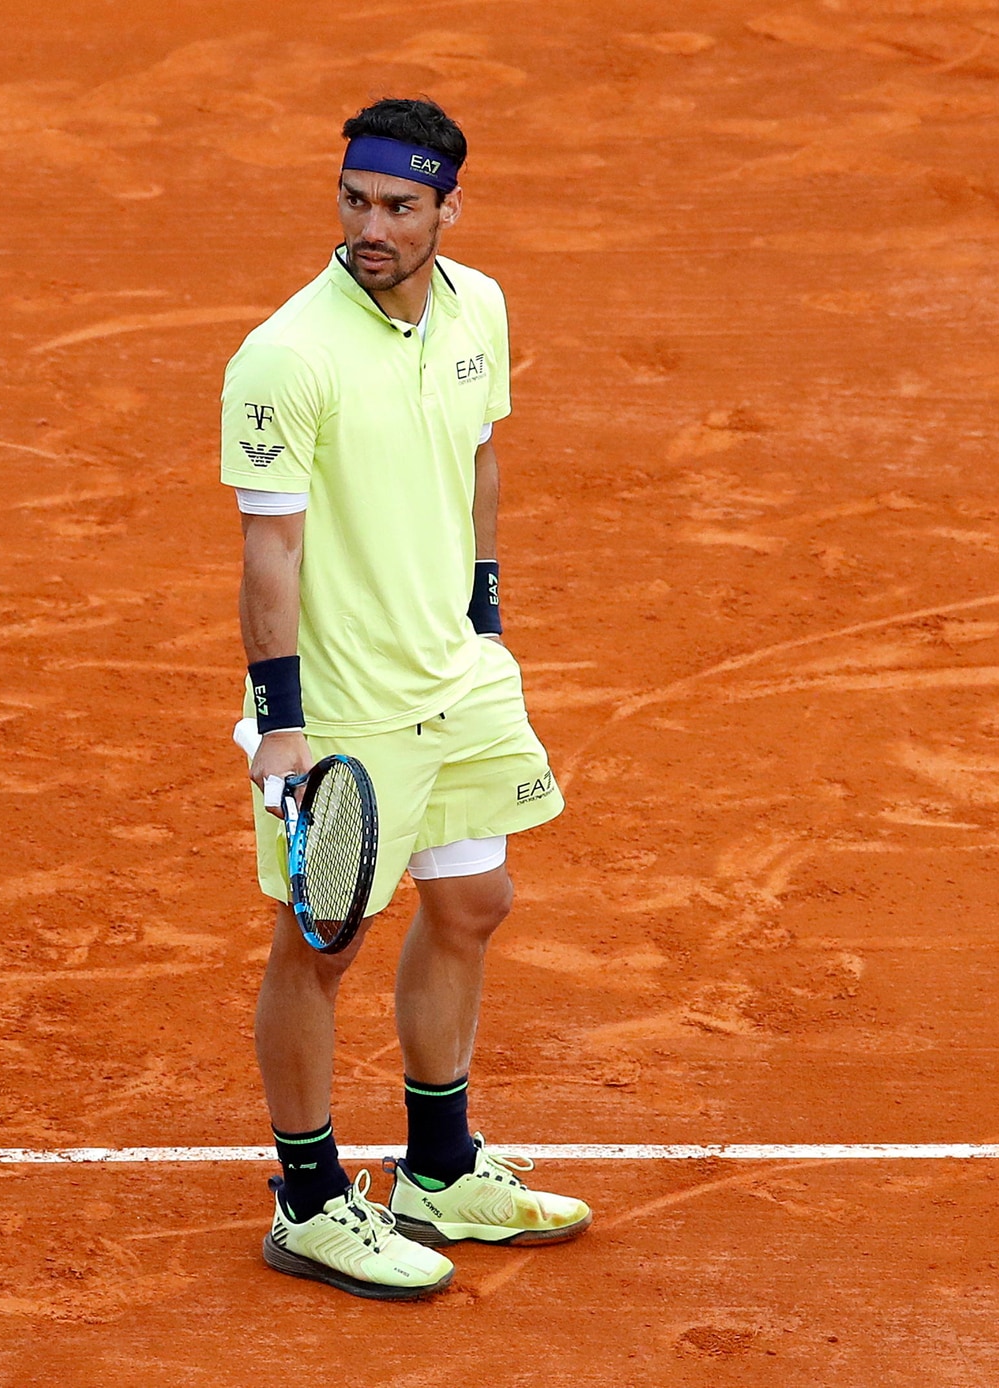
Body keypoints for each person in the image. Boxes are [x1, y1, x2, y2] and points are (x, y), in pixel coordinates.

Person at [220, 97, 590, 1301]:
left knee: (473, 900)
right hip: (343, 703)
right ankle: (309, 1198)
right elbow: (269, 548)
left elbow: (478, 457)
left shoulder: (478, 306)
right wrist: (280, 720)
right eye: (353, 200)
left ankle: (436, 1169)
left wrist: (483, 618)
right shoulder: (286, 356)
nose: (369, 227)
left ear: (447, 208)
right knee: (319, 944)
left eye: (397, 205)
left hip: (455, 671)